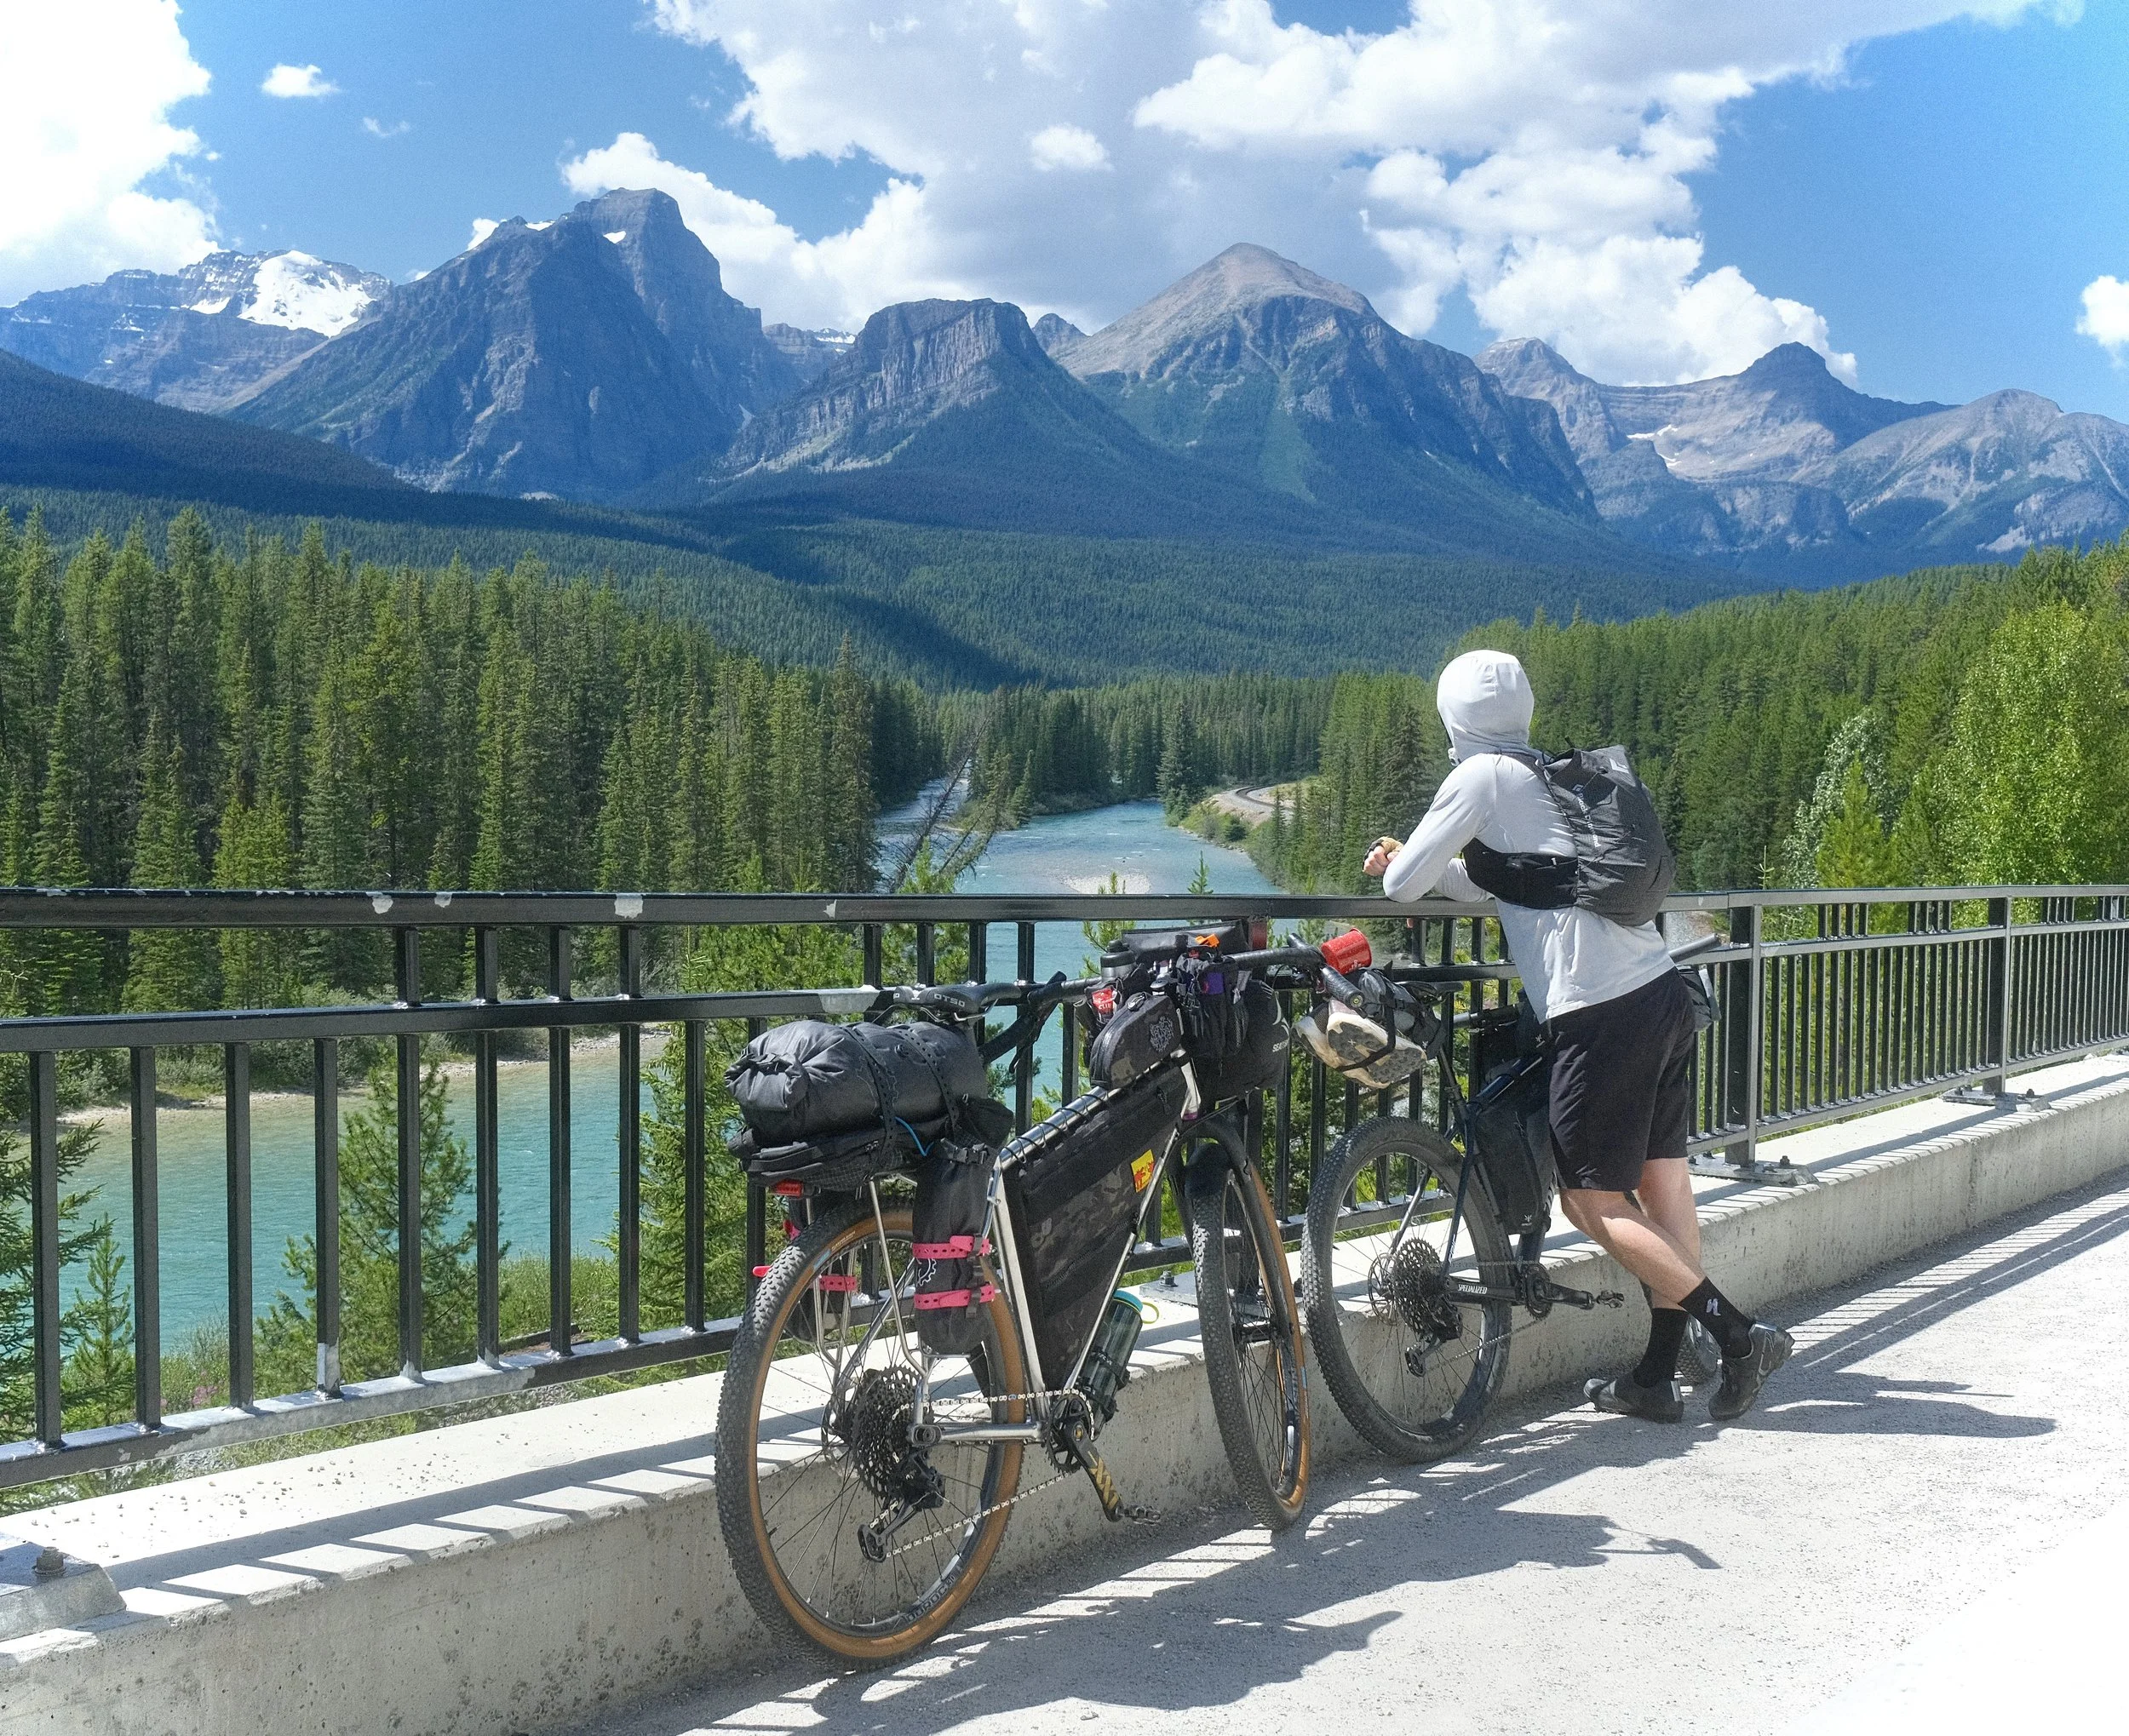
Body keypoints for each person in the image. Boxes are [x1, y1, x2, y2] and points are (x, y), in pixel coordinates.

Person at [1363, 648, 1793, 1423]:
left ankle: (1735, 1335)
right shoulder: (1549, 779)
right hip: (1660, 993)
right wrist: (1444, 862)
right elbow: (1505, 882)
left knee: (1590, 1201)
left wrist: (1400, 854)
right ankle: (1656, 1376)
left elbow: (1403, 886)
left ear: (1455, 719)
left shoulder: (1482, 777)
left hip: (1599, 1014)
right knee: (1664, 1190)